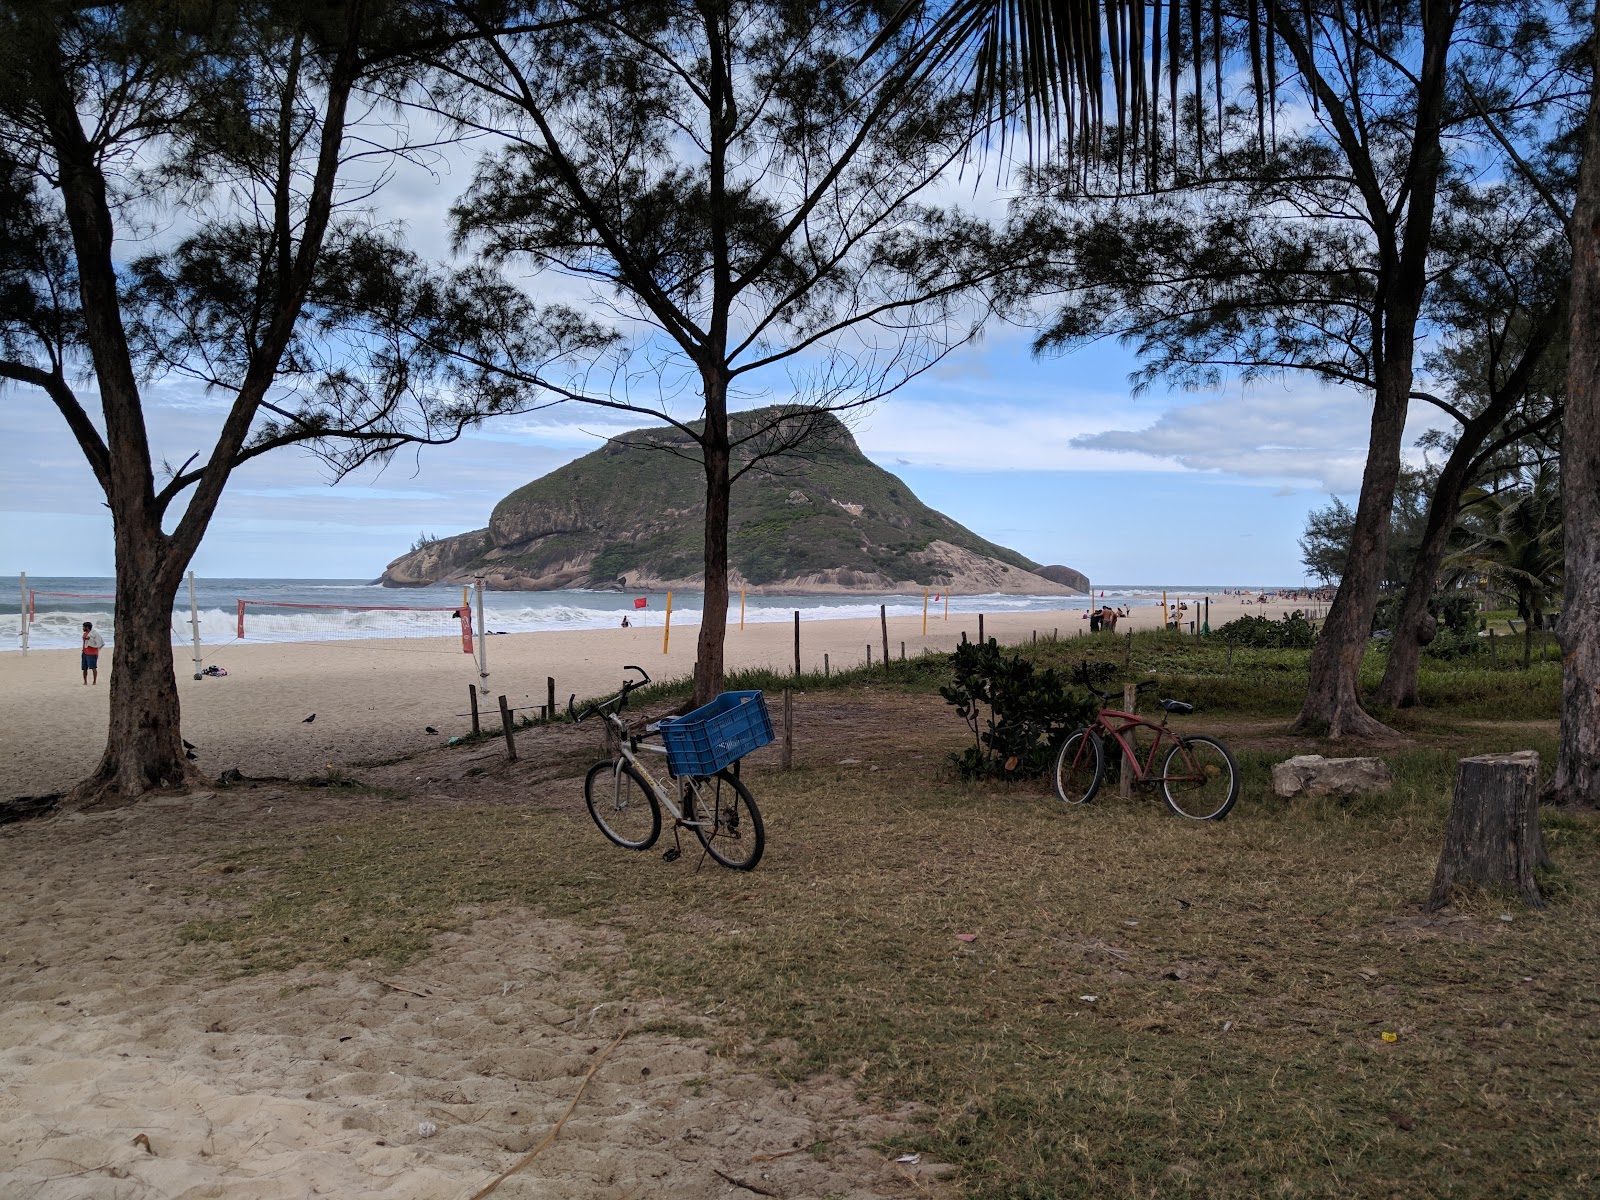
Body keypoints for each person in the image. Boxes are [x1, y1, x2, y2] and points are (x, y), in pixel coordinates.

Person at [81, 621, 104, 685]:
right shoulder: (85, 634)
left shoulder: (95, 634)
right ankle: (85, 681)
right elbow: (85, 643)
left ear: (87, 627)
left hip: (92, 654)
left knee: (93, 667)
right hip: (85, 653)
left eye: (83, 627)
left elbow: (98, 642)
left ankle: (94, 681)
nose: (83, 628)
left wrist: (89, 639)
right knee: (84, 668)